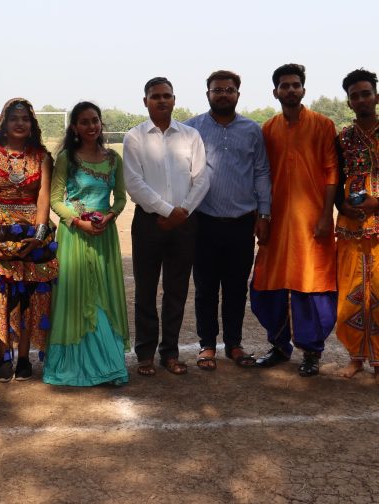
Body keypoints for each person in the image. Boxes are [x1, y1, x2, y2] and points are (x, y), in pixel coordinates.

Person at [251, 63, 338, 377]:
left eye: (295, 85)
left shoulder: (323, 125)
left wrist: (326, 215)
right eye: (284, 86)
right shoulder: (267, 129)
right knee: (267, 284)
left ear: (303, 89)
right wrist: (261, 216)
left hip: (312, 222)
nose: (290, 90)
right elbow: (260, 175)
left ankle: (312, 352)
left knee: (311, 285)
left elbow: (331, 173)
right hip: (275, 221)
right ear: (275, 92)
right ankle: (278, 346)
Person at [184, 70, 271, 371]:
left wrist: (264, 213)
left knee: (236, 288)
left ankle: (234, 344)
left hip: (241, 223)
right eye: (217, 90)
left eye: (229, 90)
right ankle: (207, 345)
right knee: (205, 287)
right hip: (204, 221)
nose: (223, 94)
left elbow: (261, 171)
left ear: (238, 94)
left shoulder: (252, 130)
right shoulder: (192, 129)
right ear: (208, 93)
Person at [123, 77, 209, 376]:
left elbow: (202, 178)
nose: (162, 100)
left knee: (176, 290)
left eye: (167, 96)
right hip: (149, 222)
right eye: (155, 96)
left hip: (184, 221)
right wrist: (167, 211)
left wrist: (181, 212)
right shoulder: (135, 137)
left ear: (174, 99)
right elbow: (134, 182)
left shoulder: (190, 136)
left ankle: (170, 353)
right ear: (145, 101)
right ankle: (145, 353)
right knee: (145, 290)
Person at [0, 98, 57, 382]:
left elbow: (43, 199)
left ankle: (24, 358)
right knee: (0, 295)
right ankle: (5, 357)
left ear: (32, 124)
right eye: (14, 118)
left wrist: (39, 237)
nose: (20, 123)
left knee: (30, 295)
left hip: (32, 235)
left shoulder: (41, 157)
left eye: (25, 119)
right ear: (4, 124)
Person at [44, 102, 130, 386]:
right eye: (84, 122)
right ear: (75, 127)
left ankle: (108, 364)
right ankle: (74, 365)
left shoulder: (114, 158)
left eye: (95, 120)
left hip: (104, 234)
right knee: (77, 295)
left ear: (101, 123)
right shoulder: (67, 158)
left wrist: (109, 216)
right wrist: (78, 222)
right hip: (75, 235)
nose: (91, 126)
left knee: (102, 294)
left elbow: (120, 198)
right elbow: (55, 200)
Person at [334, 69, 379, 382]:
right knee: (351, 288)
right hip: (351, 224)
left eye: (366, 93)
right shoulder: (342, 138)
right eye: (354, 96)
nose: (361, 99)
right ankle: (355, 356)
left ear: (376, 96)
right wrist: (342, 204)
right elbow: (335, 178)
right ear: (349, 102)